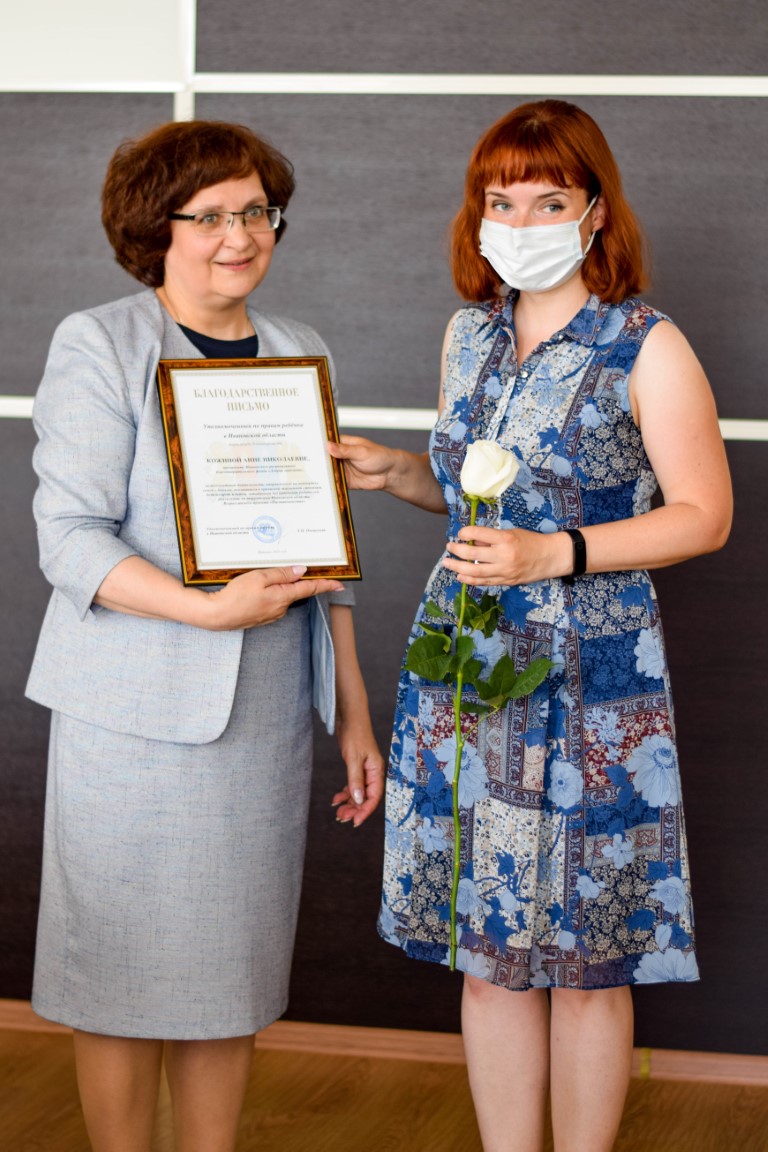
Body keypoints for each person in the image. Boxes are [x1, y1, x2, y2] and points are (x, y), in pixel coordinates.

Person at [329, 100, 732, 1152]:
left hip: (593, 679)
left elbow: (706, 514)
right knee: (488, 950)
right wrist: (400, 474)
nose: (520, 222)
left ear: (595, 212)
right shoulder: (470, 334)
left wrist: (557, 554)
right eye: (500, 202)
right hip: (468, 671)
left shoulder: (645, 343)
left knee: (587, 961)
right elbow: (484, 498)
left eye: (549, 201)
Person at [26, 120, 384, 1152]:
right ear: (158, 228)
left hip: (264, 712)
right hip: (128, 715)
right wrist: (206, 608)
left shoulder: (301, 347)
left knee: (233, 974)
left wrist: (353, 712)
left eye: (258, 211)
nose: (242, 235)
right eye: (213, 215)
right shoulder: (102, 343)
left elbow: (325, 553)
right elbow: (69, 539)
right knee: (117, 977)